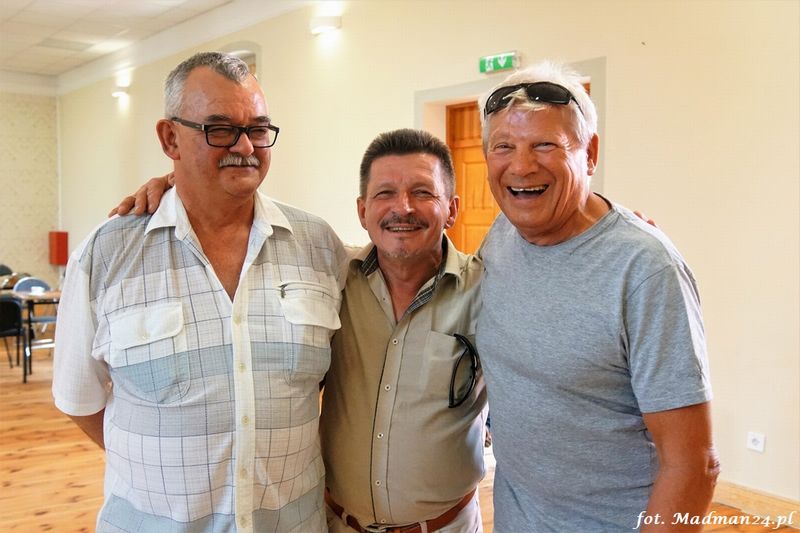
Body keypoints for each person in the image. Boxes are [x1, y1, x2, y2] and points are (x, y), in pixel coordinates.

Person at [111, 128, 488, 533]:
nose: (403, 208)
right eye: (385, 193)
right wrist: (179, 184)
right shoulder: (331, 277)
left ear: (452, 208)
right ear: (362, 211)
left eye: (422, 192)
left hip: (447, 527)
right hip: (335, 523)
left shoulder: (486, 291)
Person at [53, 52, 347, 532]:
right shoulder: (106, 255)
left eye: (258, 129)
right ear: (170, 138)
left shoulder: (319, 246)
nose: (246, 146)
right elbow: (78, 399)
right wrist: (154, 461)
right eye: (220, 129)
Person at [475, 61, 719, 531]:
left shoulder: (644, 270)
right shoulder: (501, 234)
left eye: (545, 145)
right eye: (503, 146)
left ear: (589, 154)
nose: (521, 165)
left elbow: (694, 464)